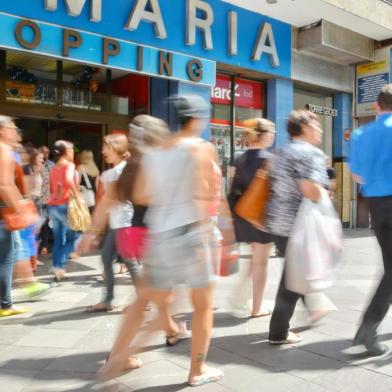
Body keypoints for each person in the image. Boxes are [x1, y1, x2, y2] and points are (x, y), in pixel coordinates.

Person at [98, 96, 224, 387]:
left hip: (159, 235)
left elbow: (142, 196)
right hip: (191, 233)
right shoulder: (200, 148)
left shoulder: (154, 155)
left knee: (147, 298)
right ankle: (197, 371)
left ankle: (120, 356)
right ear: (196, 119)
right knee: (203, 305)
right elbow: (207, 196)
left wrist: (166, 197)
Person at [265, 110, 329, 345]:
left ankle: (313, 306)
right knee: (292, 279)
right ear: (304, 128)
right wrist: (325, 192)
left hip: (277, 221)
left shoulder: (281, 152)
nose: (320, 130)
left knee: (296, 272)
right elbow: (310, 190)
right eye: (316, 126)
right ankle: (278, 332)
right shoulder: (310, 153)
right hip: (299, 225)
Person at [349, 84, 392, 356]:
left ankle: (369, 327)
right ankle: (368, 328)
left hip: (376, 207)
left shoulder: (360, 133)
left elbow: (357, 177)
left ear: (376, 106)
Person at [84, 134, 141, 312]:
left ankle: (142, 300)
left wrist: (93, 229)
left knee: (129, 262)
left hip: (124, 224)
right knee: (108, 259)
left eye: (106, 147)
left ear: (116, 148)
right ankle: (108, 300)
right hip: (117, 224)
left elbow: (111, 200)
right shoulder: (112, 172)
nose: (102, 151)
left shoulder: (121, 170)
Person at [228, 118, 275, 317]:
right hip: (262, 217)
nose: (273, 136)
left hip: (242, 215)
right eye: (272, 132)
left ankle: (240, 296)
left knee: (255, 259)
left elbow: (231, 188)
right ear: (264, 135)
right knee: (261, 263)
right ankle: (256, 307)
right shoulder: (271, 160)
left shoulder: (237, 158)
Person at [0, 116, 28, 316]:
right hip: (2, 212)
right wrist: (20, 209)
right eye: (13, 128)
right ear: (2, 130)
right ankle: (5, 304)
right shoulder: (4, 150)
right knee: (6, 259)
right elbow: (5, 185)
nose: (16, 132)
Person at [47, 140, 78, 282]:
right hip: (65, 205)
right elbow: (68, 180)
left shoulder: (53, 168)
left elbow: (53, 189)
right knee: (74, 237)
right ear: (66, 152)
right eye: (71, 151)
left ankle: (57, 267)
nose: (73, 153)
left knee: (58, 240)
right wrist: (77, 196)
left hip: (52, 205)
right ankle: (59, 266)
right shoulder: (69, 165)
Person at [39, 145, 54, 256]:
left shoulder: (51, 165)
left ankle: (44, 245)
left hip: (47, 199)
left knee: (46, 223)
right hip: (36, 200)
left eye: (47, 152)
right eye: (43, 152)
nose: (45, 154)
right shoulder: (33, 167)